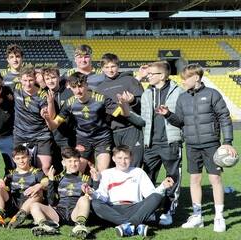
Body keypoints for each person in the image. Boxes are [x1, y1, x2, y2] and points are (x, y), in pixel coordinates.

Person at [158, 64, 235, 232]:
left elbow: (224, 117)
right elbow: (179, 122)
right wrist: (168, 115)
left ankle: (219, 217)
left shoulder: (212, 94)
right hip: (192, 146)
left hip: (212, 145)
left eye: (186, 78)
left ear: (197, 78)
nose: (183, 81)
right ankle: (197, 216)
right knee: (194, 180)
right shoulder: (182, 98)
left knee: (215, 180)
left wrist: (227, 141)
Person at [125, 61, 184, 226]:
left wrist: (168, 114)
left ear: (162, 75)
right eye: (148, 74)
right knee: (147, 179)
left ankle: (168, 211)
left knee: (172, 178)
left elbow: (182, 120)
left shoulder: (178, 92)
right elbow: (143, 121)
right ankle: (148, 210)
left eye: (151, 74)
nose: (148, 76)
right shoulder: (146, 94)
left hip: (170, 143)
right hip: (150, 145)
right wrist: (127, 113)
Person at [43, 72, 130, 172]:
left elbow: (126, 114)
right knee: (76, 170)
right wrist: (48, 119)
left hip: (102, 139)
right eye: (74, 87)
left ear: (86, 85)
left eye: (80, 86)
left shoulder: (100, 99)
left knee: (102, 171)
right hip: (83, 139)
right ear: (69, 87)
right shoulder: (69, 103)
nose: (78, 91)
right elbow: (53, 126)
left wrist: (123, 104)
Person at [90, 146, 174, 237]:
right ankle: (133, 225)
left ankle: (128, 226)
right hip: (114, 208)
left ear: (131, 158)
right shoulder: (106, 173)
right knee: (95, 203)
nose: (123, 161)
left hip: (135, 208)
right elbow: (103, 196)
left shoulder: (138, 172)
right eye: (119, 158)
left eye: (126, 158)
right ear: (113, 159)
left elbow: (150, 194)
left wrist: (162, 186)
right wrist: (92, 192)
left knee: (156, 197)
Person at [29, 147, 97, 238]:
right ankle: (45, 226)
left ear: (79, 162)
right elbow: (51, 202)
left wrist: (95, 183)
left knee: (85, 198)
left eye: (76, 161)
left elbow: (95, 197)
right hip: (58, 213)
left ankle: (80, 226)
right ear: (63, 163)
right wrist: (51, 182)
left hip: (75, 213)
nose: (73, 164)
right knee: (34, 205)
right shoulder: (57, 178)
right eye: (70, 161)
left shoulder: (86, 179)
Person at [96, 53, 145, 168]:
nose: (110, 70)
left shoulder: (129, 80)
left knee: (133, 165)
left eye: (113, 66)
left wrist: (133, 100)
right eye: (107, 67)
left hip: (131, 129)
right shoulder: (100, 88)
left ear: (118, 66)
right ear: (102, 68)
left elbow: (143, 104)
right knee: (116, 167)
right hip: (113, 132)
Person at [0, 145, 47, 229]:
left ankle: (20, 216)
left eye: (23, 157)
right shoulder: (11, 174)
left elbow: (47, 182)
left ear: (29, 157)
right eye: (18, 158)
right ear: (14, 160)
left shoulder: (36, 172)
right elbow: (6, 190)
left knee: (39, 191)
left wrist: (39, 185)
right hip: (14, 205)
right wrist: (2, 185)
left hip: (29, 205)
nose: (21, 161)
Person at [13, 66, 54, 173]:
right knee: (21, 167)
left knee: (45, 166)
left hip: (41, 135)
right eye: (25, 80)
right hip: (21, 135)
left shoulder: (42, 94)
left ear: (35, 79)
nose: (28, 83)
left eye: (30, 80)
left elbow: (49, 115)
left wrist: (45, 112)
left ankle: (48, 189)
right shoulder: (15, 88)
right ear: (20, 80)